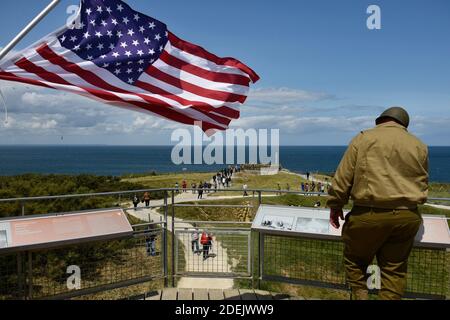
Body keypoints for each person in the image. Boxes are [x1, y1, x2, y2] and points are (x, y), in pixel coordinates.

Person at [327, 107, 428, 300]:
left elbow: (343, 177)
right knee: (394, 272)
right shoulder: (419, 145)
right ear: (403, 124)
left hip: (368, 215)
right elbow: (422, 180)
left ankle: (361, 296)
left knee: (355, 261)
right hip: (408, 217)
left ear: (380, 120)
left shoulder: (364, 138)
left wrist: (336, 205)